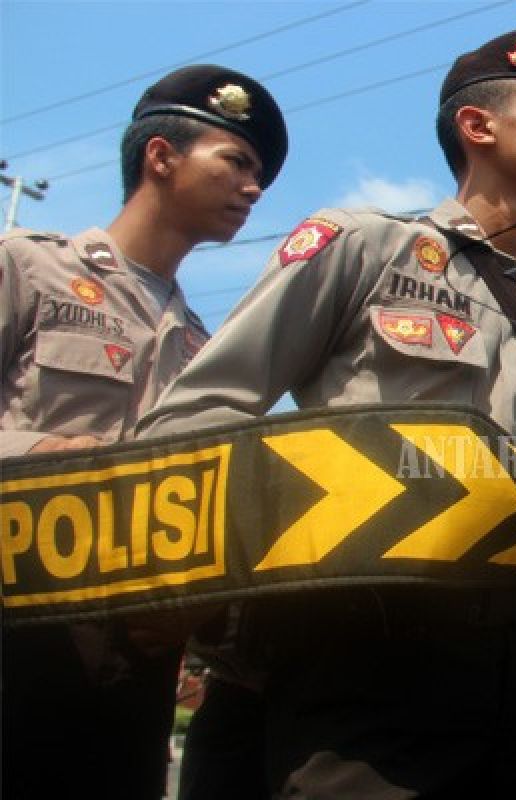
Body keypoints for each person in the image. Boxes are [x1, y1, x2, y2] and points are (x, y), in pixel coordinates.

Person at [137, 28, 516, 797]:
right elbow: (206, 411)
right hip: (370, 642)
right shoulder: (365, 247)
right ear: (480, 127)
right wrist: (185, 603)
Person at [0, 65, 287, 800]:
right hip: (18, 623)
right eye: (238, 162)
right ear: (161, 156)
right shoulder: (27, 267)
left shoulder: (207, 349)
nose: (254, 188)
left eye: (260, 173)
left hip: (134, 660)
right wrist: (49, 455)